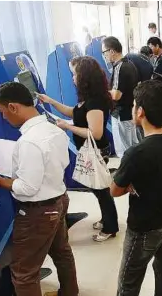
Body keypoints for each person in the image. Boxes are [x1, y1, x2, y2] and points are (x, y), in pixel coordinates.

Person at [79, 80, 162, 296]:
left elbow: (114, 190)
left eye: (136, 105)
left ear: (140, 113)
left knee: (128, 282)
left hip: (145, 225)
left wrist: (126, 182)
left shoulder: (138, 152)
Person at [0, 82, 79, 296]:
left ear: (13, 107)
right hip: (59, 200)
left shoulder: (29, 142)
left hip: (38, 211)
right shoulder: (52, 129)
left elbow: (26, 188)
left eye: (1, 111)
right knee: (61, 252)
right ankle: (69, 295)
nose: (2, 116)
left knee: (23, 268)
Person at [37, 56, 119, 242]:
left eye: (74, 74)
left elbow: (95, 133)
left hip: (96, 150)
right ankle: (107, 220)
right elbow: (74, 112)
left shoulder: (95, 102)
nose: (73, 78)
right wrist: (50, 101)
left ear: (84, 77)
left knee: (101, 190)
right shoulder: (89, 98)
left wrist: (67, 127)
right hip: (92, 150)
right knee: (99, 189)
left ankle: (110, 227)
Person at [102, 36, 139, 158]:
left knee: (123, 151)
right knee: (133, 146)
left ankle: (129, 175)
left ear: (111, 51)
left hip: (121, 114)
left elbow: (116, 95)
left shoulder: (119, 67)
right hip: (129, 111)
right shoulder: (130, 64)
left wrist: (102, 92)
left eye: (104, 52)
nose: (104, 55)